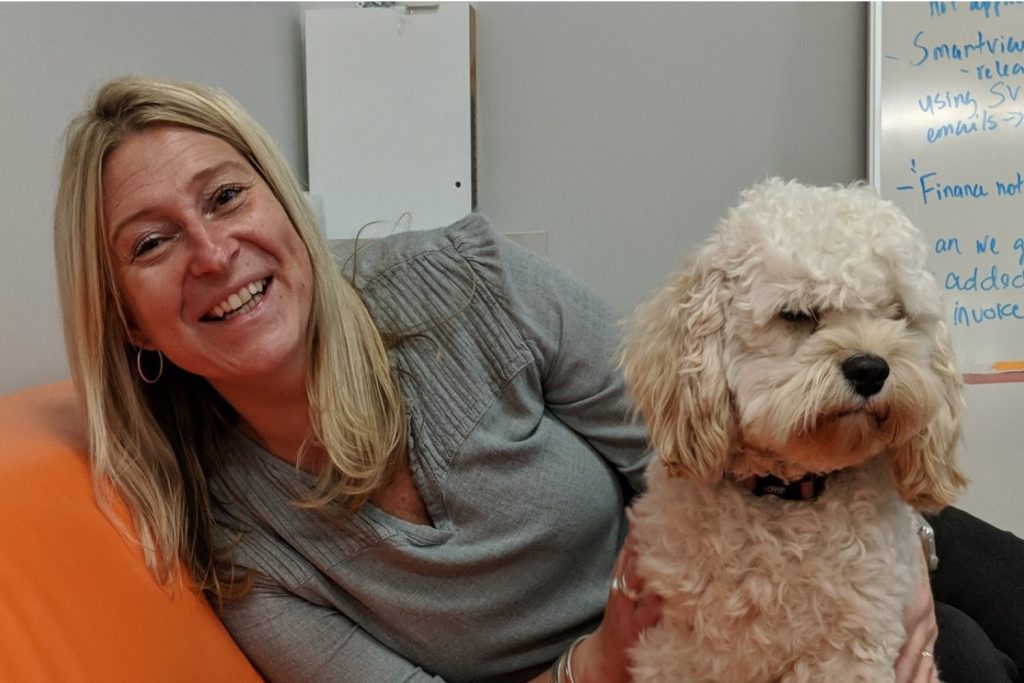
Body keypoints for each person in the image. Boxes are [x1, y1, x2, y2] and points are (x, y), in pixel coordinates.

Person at [52, 75, 1020, 683]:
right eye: (152, 242)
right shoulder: (239, 543)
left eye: (226, 196)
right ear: (126, 315)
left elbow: (695, 424)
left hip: (810, 503)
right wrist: (591, 663)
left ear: (284, 207)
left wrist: (905, 548)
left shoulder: (470, 284)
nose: (215, 251)